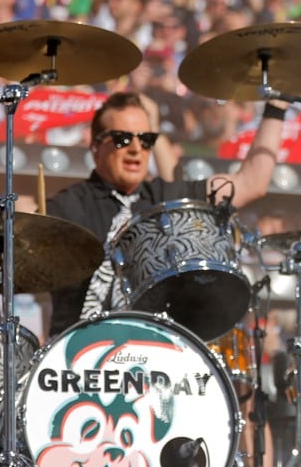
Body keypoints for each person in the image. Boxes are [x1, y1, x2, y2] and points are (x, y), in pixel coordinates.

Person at [45, 90, 287, 338]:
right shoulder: (66, 207)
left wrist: (276, 107)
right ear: (95, 146)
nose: (135, 148)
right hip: (76, 350)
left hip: (151, 348)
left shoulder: (167, 197)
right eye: (122, 139)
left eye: (146, 139)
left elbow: (251, 183)